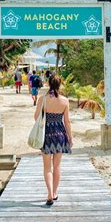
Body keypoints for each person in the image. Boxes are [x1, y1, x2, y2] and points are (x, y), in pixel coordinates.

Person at [33, 74, 72, 206]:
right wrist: (70, 138)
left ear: (48, 84)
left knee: (47, 167)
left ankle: (49, 193)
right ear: (60, 85)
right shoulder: (65, 101)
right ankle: (55, 193)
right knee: (57, 166)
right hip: (60, 134)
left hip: (46, 135)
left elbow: (36, 117)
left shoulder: (42, 99)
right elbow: (67, 122)